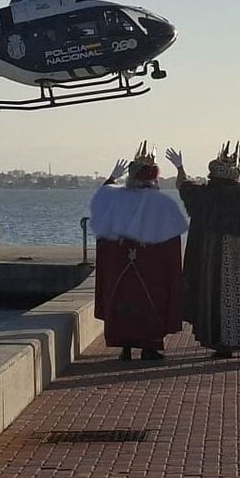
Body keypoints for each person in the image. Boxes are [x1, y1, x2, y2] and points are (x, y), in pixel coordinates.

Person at [165, 141, 240, 358]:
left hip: (215, 255)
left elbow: (185, 187)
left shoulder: (207, 194)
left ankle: (223, 344)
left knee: (217, 295)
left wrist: (180, 167)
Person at [89, 143, 189, 361]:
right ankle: (148, 347)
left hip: (122, 264)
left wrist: (110, 179)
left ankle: (125, 347)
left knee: (124, 300)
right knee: (149, 300)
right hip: (150, 267)